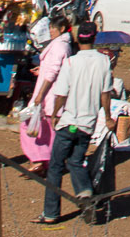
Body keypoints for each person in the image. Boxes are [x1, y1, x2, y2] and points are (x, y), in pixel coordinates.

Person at [37, 23, 111, 225]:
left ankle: (51, 212)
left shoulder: (71, 62)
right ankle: (85, 194)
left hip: (69, 122)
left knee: (55, 166)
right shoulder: (104, 61)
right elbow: (106, 94)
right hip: (88, 124)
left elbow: (61, 94)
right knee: (76, 161)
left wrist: (55, 115)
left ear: (78, 39)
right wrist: (109, 116)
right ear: (94, 38)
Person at [20, 12, 73, 172]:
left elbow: (53, 73)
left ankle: (38, 159)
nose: (50, 31)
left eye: (53, 28)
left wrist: (40, 95)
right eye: (49, 28)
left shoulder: (59, 45)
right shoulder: (63, 45)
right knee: (49, 130)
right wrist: (41, 69)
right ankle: (48, 162)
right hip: (52, 94)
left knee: (29, 125)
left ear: (61, 28)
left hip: (49, 95)